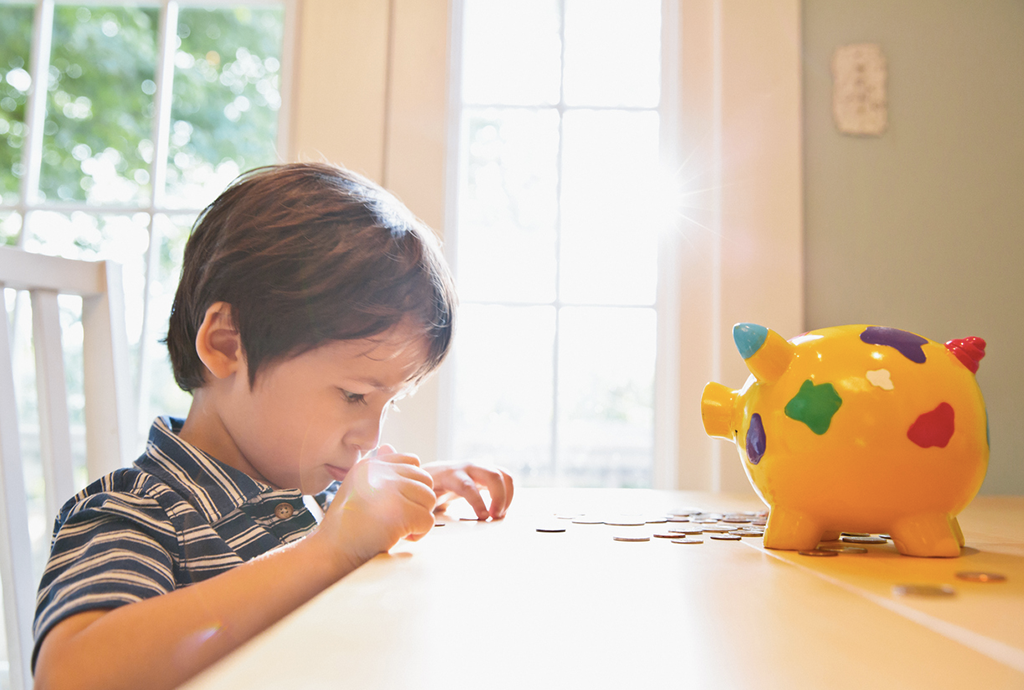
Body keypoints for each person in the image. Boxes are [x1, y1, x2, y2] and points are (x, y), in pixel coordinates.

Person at [31, 163, 514, 690]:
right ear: (226, 345)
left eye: (388, 402)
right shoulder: (140, 512)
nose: (370, 436)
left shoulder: (315, 496)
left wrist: (415, 491)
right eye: (354, 394)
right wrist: (328, 551)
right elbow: (71, 675)